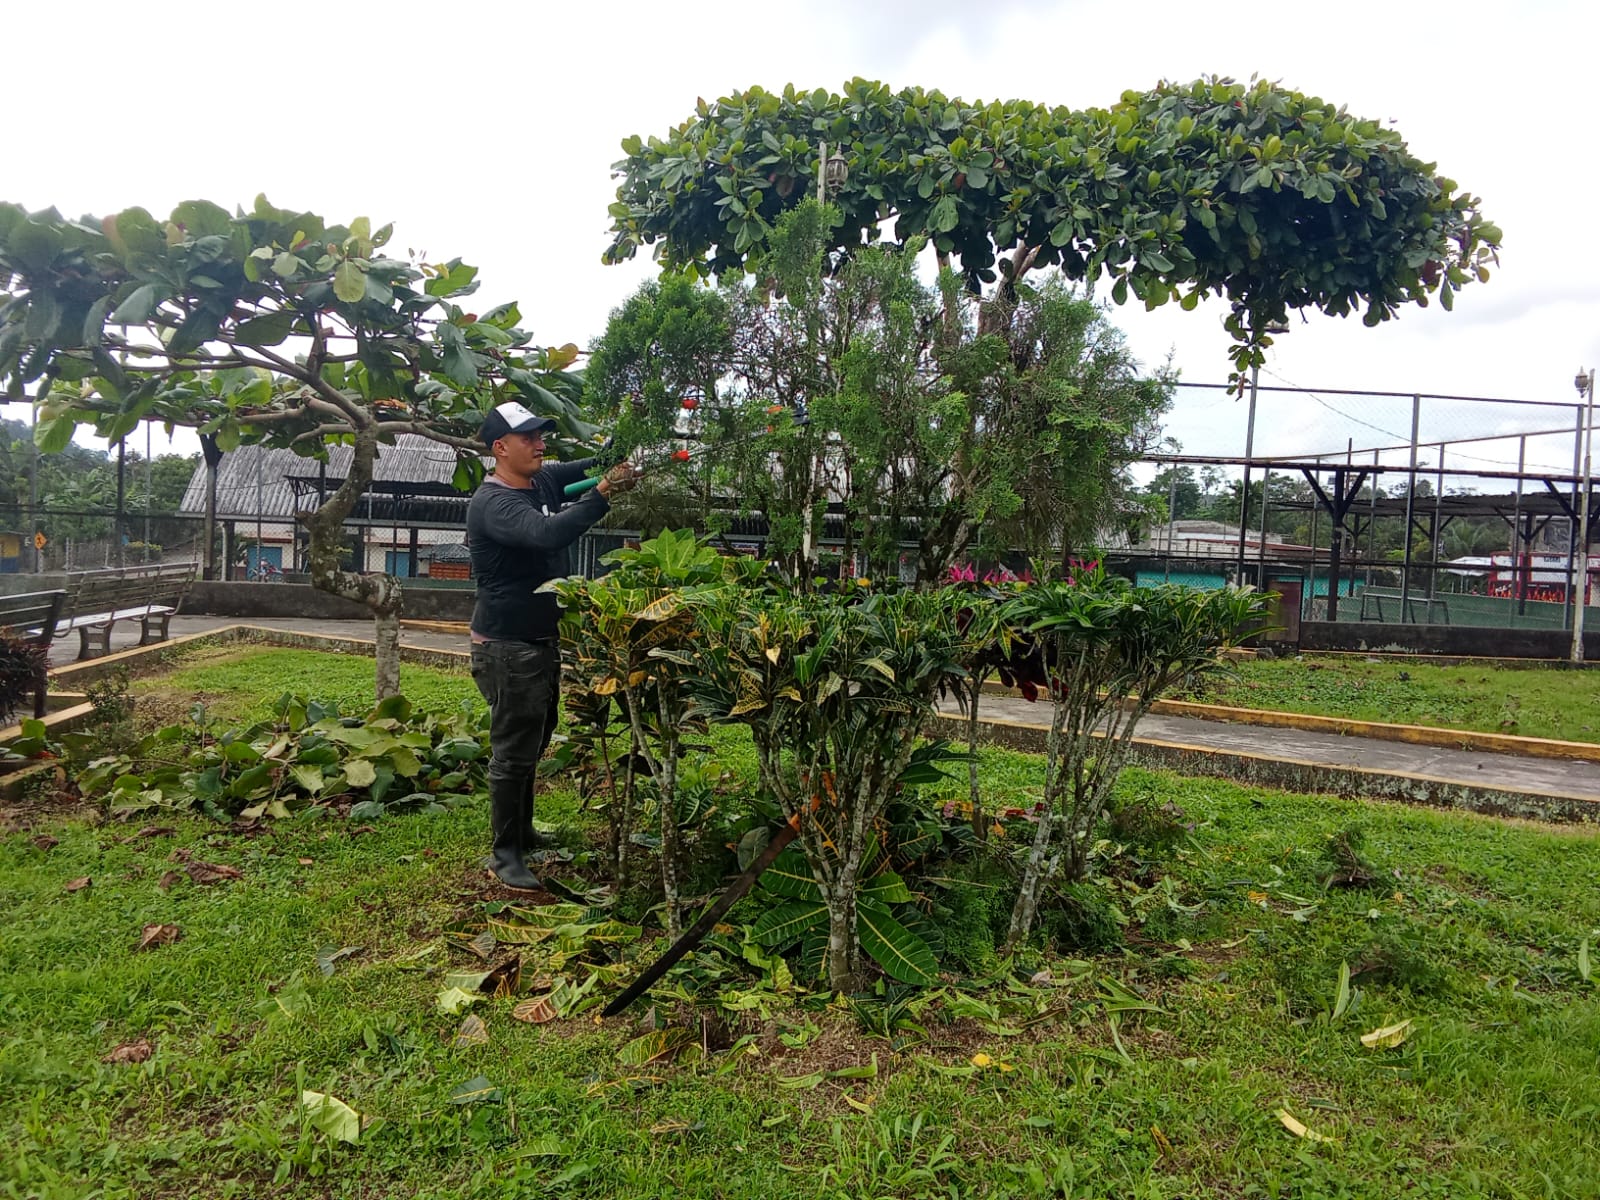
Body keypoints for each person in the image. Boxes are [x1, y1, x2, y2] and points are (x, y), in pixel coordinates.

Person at [467, 400, 637, 891]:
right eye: (529, 438)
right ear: (500, 448)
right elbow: (546, 534)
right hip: (507, 646)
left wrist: (636, 422)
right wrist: (602, 494)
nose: (540, 444)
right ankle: (505, 854)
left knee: (536, 738)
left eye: (540, 435)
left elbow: (599, 461)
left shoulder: (541, 480)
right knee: (514, 750)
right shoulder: (494, 503)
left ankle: (522, 832)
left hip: (538, 640)